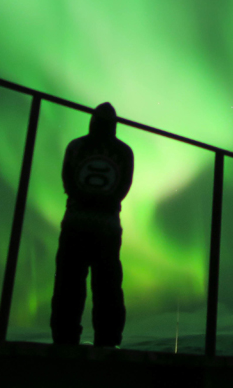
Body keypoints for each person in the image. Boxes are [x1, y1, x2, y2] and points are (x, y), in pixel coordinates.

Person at [51, 102, 134, 347]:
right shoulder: (124, 151)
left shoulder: (75, 146)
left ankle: (65, 339)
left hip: (75, 224)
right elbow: (123, 187)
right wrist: (104, 203)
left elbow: (68, 180)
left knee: (69, 284)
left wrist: (85, 200)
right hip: (107, 227)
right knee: (107, 287)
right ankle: (107, 341)